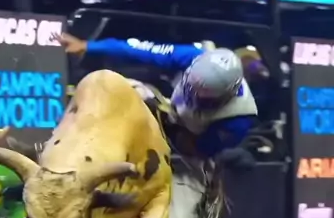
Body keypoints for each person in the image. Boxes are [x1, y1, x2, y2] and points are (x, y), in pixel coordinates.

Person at [54, 34, 258, 159]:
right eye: (192, 87)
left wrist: (165, 130)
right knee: (128, 89)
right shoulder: (192, 57)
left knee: (181, 212)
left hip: (190, 154)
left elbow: (198, 151)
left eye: (202, 96)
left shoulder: (237, 119)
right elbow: (140, 50)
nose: (193, 94)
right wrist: (88, 46)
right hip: (169, 111)